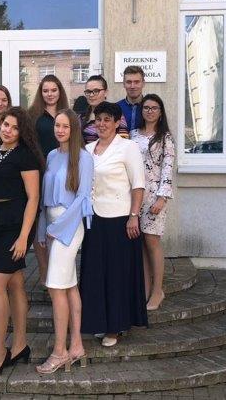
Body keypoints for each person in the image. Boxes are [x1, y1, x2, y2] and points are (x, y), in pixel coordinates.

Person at [80, 102, 148, 347]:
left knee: (117, 276)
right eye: (98, 119)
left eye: (107, 119)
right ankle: (100, 322)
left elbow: (138, 185)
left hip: (120, 221)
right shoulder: (88, 149)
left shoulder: (128, 147)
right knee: (96, 275)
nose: (102, 124)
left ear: (118, 122)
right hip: (94, 220)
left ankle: (115, 327)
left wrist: (134, 216)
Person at [0, 107, 43, 378]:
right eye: (6, 124)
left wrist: (23, 237)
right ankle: (20, 345)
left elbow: (33, 198)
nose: (8, 130)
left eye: (14, 127)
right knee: (15, 282)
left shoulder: (25, 155)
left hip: (16, 225)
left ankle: (0, 350)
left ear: (22, 132)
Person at [36, 109, 93, 374]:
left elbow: (82, 199)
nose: (59, 130)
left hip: (69, 227)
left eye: (65, 126)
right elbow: (44, 200)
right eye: (57, 125)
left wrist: (56, 229)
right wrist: (43, 229)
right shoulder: (51, 155)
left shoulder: (83, 158)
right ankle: (77, 346)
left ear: (74, 129)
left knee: (56, 287)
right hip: (51, 225)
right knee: (68, 286)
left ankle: (59, 353)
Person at [130, 94, 175, 311]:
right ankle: (145, 289)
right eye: (146, 107)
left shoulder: (165, 138)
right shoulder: (133, 135)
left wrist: (162, 197)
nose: (150, 111)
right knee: (140, 243)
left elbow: (168, 168)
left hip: (155, 197)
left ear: (160, 111)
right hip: (136, 195)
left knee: (152, 241)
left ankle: (158, 291)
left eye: (154, 108)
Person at [29, 75, 70, 285]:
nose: (50, 94)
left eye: (54, 90)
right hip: (39, 174)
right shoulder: (33, 116)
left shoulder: (68, 115)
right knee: (40, 224)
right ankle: (45, 273)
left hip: (63, 175)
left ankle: (58, 271)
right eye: (45, 90)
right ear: (40, 93)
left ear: (60, 91)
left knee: (58, 219)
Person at [80, 75, 129, 144]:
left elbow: (123, 142)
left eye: (96, 91)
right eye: (88, 91)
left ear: (106, 92)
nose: (91, 95)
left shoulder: (115, 113)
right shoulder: (81, 117)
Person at [117, 65, 146, 132]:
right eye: (129, 82)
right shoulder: (116, 107)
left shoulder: (150, 108)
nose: (132, 86)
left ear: (143, 83)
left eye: (137, 82)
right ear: (124, 84)